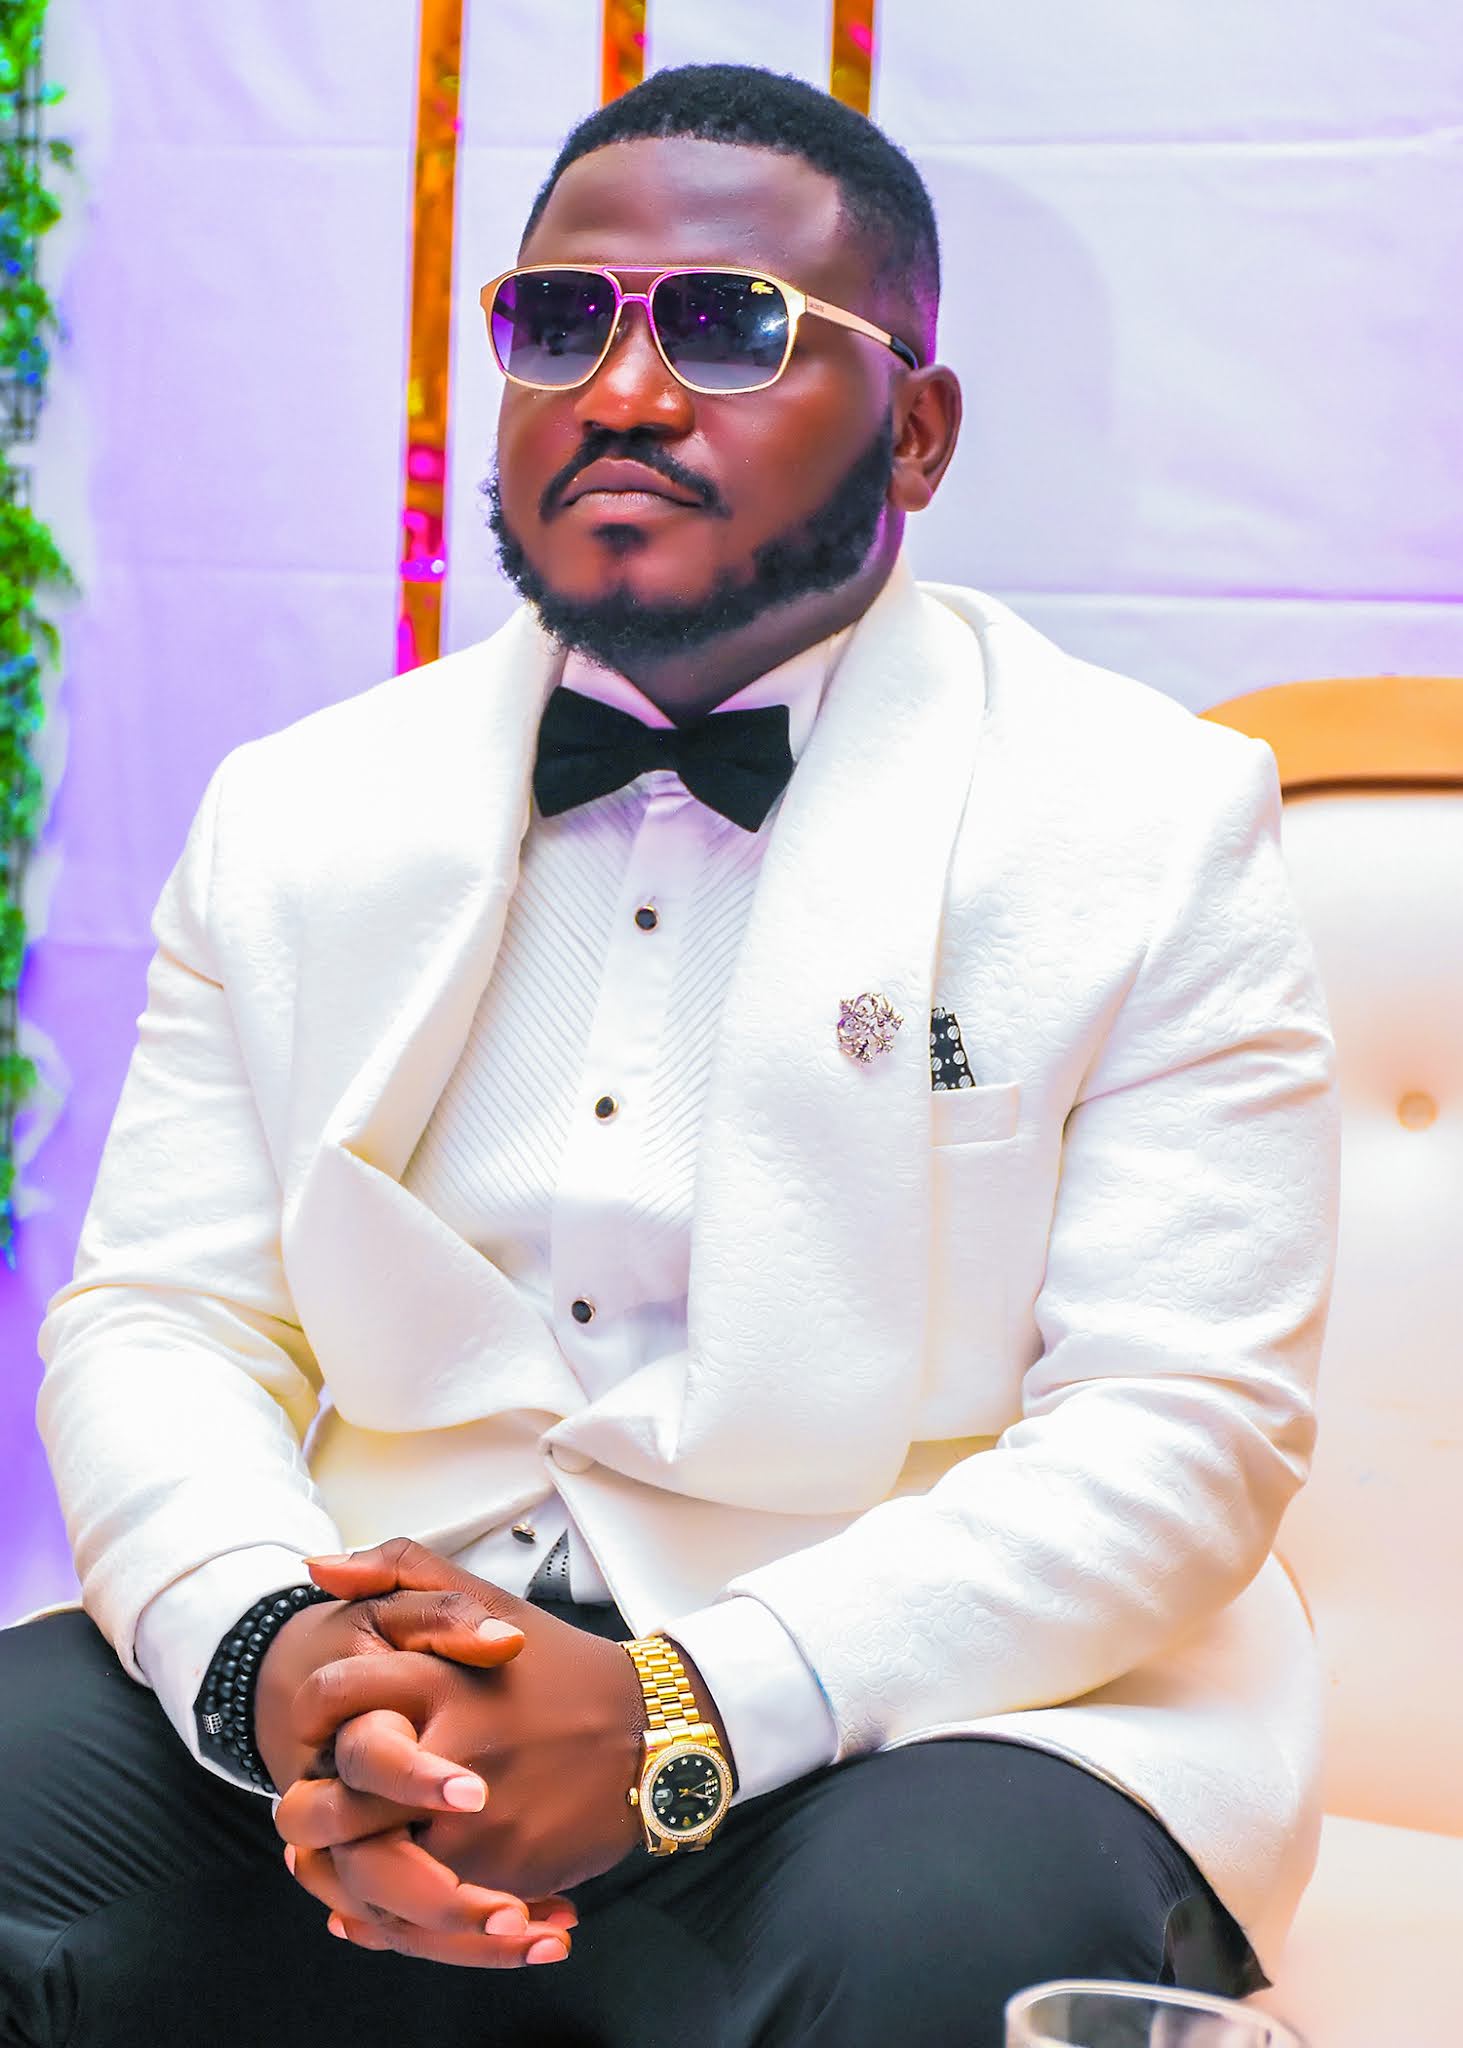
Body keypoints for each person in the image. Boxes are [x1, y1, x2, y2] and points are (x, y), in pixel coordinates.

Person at [0, 61, 1338, 2048]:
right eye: (561, 323)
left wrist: (676, 1710)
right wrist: (280, 1658)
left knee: (944, 1944)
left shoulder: (1144, 824)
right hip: (389, 1642)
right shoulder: (298, 810)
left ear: (918, 430)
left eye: (725, 327)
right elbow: (166, 1317)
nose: (621, 392)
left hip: (912, 1706)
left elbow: (1179, 1424)